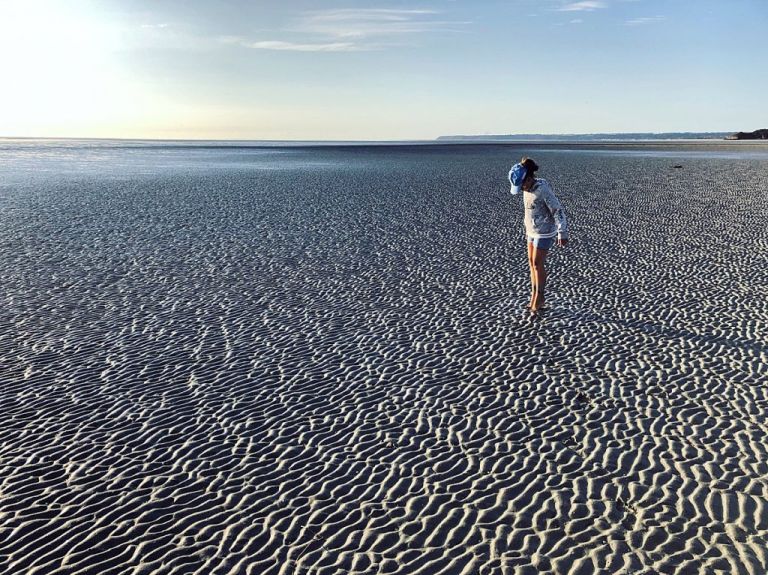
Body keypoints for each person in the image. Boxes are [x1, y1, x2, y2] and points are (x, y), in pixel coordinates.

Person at [508, 157, 569, 314]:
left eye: (522, 185)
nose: (521, 189)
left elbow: (557, 209)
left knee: (537, 263)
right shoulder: (526, 189)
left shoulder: (542, 189)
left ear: (528, 179)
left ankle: (540, 297)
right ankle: (534, 296)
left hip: (544, 231)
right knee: (531, 263)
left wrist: (562, 231)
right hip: (531, 230)